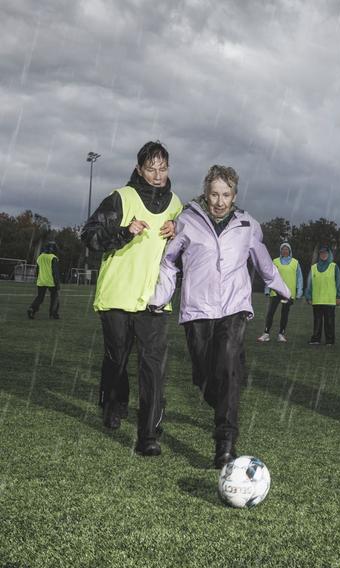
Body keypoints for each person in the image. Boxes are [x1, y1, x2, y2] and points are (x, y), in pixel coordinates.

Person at [149, 164, 290, 468]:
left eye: (226, 194)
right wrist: (160, 296)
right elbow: (169, 261)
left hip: (233, 308)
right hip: (197, 309)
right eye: (214, 194)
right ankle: (227, 395)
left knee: (226, 365)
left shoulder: (246, 225)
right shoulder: (187, 220)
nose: (219, 200)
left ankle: (224, 443)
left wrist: (281, 286)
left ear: (234, 195)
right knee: (204, 377)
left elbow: (263, 260)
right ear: (206, 193)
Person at [81, 141, 181, 456]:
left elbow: (186, 250)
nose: (157, 174)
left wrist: (178, 230)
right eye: (150, 168)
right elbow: (90, 237)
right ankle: (113, 401)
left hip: (153, 300)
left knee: (153, 367)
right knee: (117, 359)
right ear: (139, 169)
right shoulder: (121, 198)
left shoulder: (176, 205)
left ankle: (147, 434)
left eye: (162, 168)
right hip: (116, 296)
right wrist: (124, 231)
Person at [257, 242, 303, 343]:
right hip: (275, 292)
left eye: (287, 249)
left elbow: (299, 278)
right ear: (280, 251)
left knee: (284, 314)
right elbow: (270, 276)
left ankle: (281, 334)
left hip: (288, 294)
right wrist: (267, 289)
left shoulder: (295, 262)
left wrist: (299, 291)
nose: (285, 251)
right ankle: (266, 334)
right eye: (283, 249)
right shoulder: (275, 261)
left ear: (289, 251)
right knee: (270, 313)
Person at [305, 245, 340, 346]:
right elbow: (309, 283)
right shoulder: (313, 268)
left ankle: (330, 341)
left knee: (329, 322)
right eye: (321, 253)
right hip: (317, 300)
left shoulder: (334, 267)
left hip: (329, 300)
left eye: (325, 253)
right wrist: (308, 296)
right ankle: (316, 339)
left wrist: (339, 296)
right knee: (317, 321)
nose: (323, 255)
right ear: (319, 255)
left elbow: (338, 282)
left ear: (329, 254)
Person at [27, 241, 61, 320]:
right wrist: (57, 283)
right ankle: (53, 314)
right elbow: (55, 272)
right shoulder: (53, 258)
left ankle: (32, 309)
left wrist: (38, 277)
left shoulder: (40, 256)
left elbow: (37, 270)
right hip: (51, 281)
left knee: (40, 297)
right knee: (55, 298)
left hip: (41, 280)